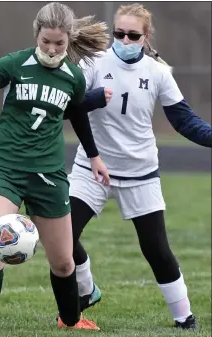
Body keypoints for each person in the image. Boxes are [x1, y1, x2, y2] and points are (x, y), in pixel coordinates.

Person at [0, 2, 113, 335]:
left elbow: (76, 115)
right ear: (37, 35)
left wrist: (94, 156)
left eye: (59, 43)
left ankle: (71, 320)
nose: (52, 49)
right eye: (46, 41)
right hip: (6, 169)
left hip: (49, 175)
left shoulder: (73, 76)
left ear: (69, 40)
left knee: (63, 261)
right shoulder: (14, 64)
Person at [66, 2, 211, 331]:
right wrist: (92, 99)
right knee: (63, 236)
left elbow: (185, 122)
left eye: (133, 35)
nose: (125, 40)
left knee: (157, 249)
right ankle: (86, 291)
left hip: (140, 172)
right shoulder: (93, 62)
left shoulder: (159, 72)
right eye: (119, 34)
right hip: (92, 167)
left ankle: (184, 318)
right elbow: (69, 108)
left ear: (146, 38)